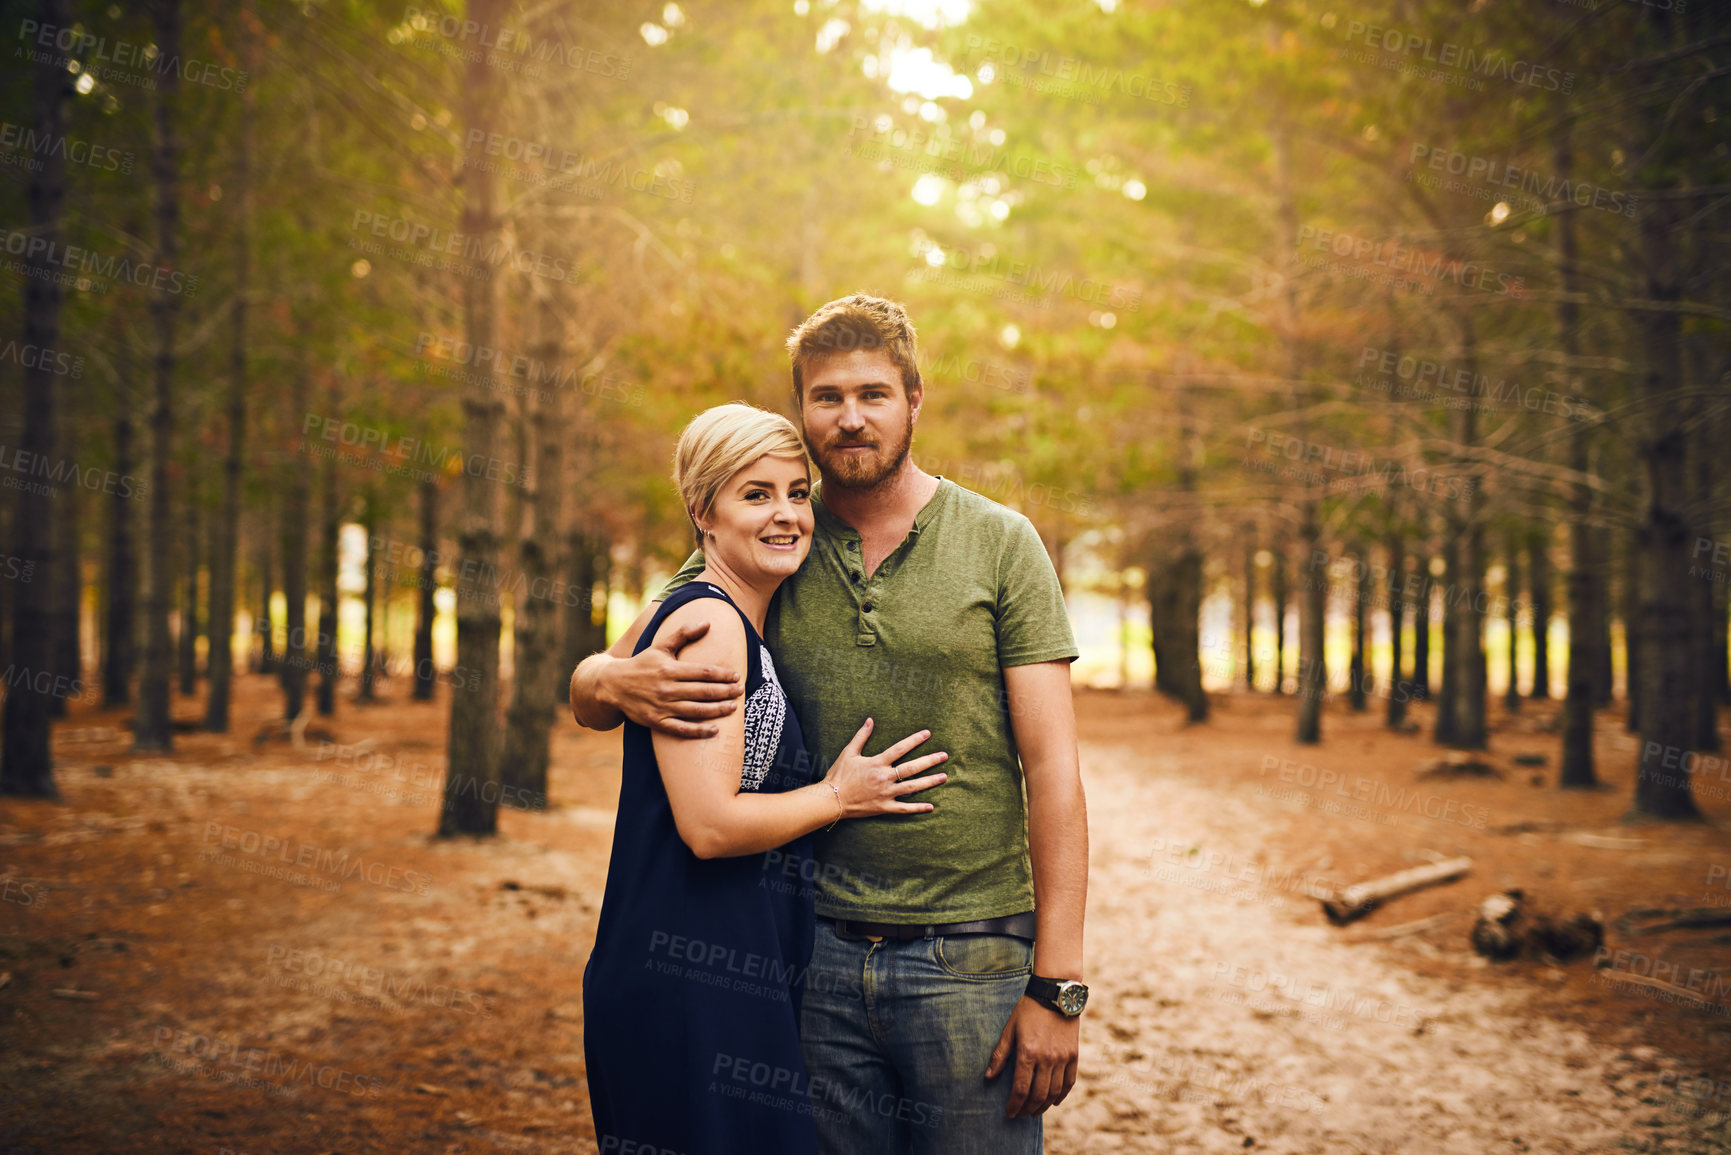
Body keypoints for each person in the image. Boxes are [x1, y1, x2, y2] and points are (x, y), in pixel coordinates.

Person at [572, 296, 1089, 1155]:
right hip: (807, 966)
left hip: (969, 962)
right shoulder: (770, 537)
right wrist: (609, 675)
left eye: (873, 394)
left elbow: (1055, 768)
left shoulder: (1001, 544)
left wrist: (1057, 984)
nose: (849, 418)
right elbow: (600, 682)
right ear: (802, 409)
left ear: (913, 401)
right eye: (825, 397)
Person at [581, 402, 952, 1155]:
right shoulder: (710, 625)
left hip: (716, 974)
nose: (785, 514)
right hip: (691, 981)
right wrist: (839, 796)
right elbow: (709, 826)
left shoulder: (714, 610)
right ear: (702, 511)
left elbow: (595, 684)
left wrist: (599, 676)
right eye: (755, 494)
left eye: (794, 491)